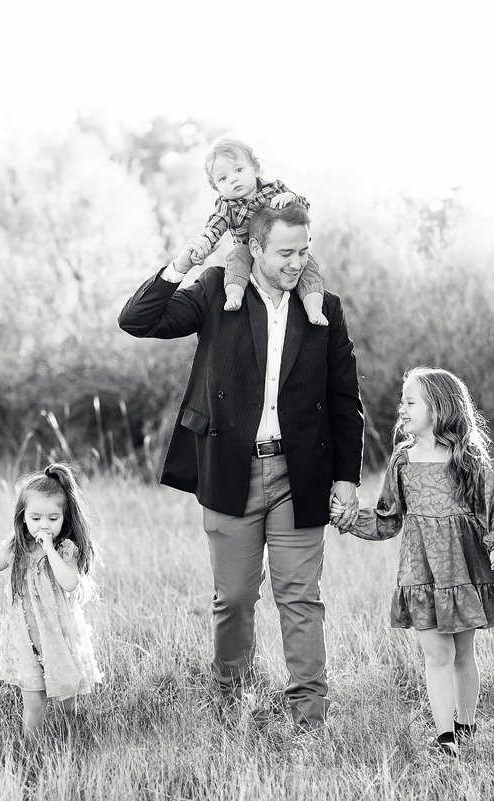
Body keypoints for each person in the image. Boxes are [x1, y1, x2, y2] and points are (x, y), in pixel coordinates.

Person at [118, 202, 364, 732]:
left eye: (304, 251)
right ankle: (232, 701)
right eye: (285, 252)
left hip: (301, 475)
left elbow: (346, 399)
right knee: (232, 597)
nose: (297, 262)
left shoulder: (325, 309)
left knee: (299, 597)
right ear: (255, 249)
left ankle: (309, 717)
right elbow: (137, 320)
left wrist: (346, 478)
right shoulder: (215, 292)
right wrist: (185, 259)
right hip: (232, 467)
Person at [332, 366, 494, 757]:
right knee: (437, 654)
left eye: (410, 401)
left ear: (438, 408)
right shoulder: (402, 462)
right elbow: (388, 519)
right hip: (421, 572)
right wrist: (350, 518)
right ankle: (445, 738)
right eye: (402, 401)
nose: (401, 408)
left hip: (462, 570)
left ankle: (466, 726)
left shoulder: (465, 460)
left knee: (463, 654)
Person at [0, 463, 101, 739]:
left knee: (66, 700)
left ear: (65, 519)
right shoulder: (17, 549)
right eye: (35, 518)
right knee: (34, 702)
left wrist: (49, 548)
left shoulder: (65, 549)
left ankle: (72, 739)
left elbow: (69, 582)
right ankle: (30, 752)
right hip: (27, 640)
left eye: (52, 518)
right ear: (23, 518)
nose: (43, 525)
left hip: (58, 638)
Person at [189, 135, 327, 323]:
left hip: (280, 244)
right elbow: (216, 224)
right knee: (236, 258)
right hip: (247, 247)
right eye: (223, 178)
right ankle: (234, 295)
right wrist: (205, 242)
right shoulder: (227, 205)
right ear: (216, 186)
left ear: (255, 168)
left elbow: (303, 209)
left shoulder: (275, 188)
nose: (233, 179)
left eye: (239, 170)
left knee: (308, 265)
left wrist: (291, 198)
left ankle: (314, 308)